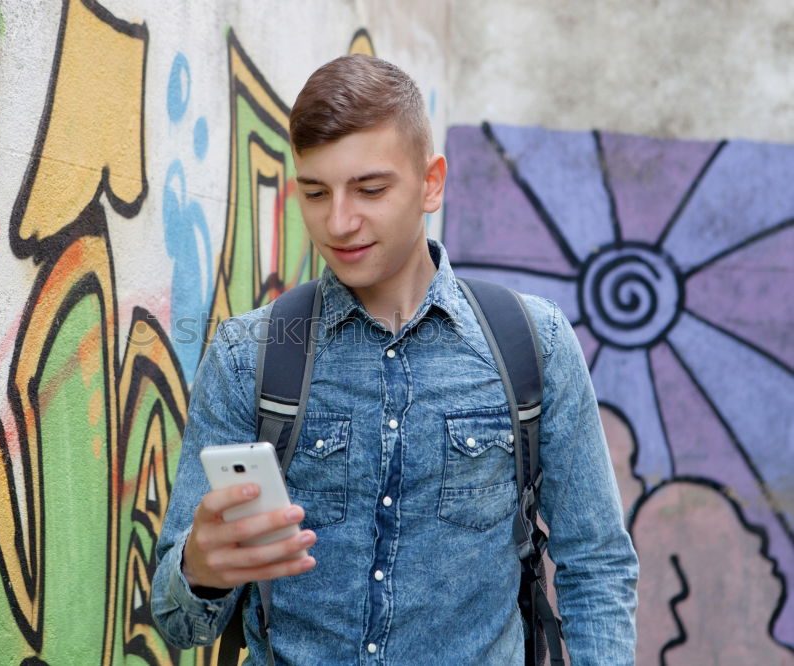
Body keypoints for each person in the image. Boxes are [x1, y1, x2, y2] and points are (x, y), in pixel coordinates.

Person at [151, 54, 638, 664]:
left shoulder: (533, 344)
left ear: (431, 182)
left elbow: (596, 564)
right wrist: (200, 570)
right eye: (315, 192)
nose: (339, 222)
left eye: (371, 189)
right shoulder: (247, 357)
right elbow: (178, 620)